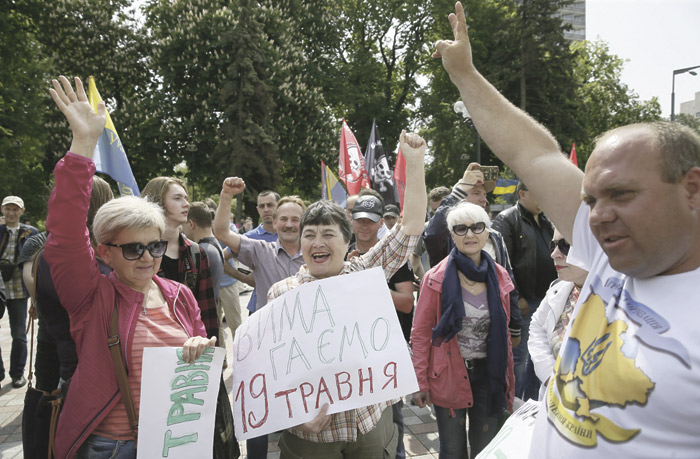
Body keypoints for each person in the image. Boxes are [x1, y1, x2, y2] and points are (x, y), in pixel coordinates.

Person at [434, 3, 700, 455]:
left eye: (621, 195)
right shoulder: (606, 250)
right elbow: (534, 154)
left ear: (691, 189)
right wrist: (464, 74)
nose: (596, 216)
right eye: (591, 200)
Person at [45, 75, 215, 458]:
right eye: (133, 249)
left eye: (154, 245)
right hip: (110, 447)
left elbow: (201, 352)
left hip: (173, 444)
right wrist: (83, 145)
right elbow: (66, 234)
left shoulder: (180, 296)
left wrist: (198, 347)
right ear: (105, 253)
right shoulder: (92, 297)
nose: (149, 258)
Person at [263, 129, 427, 459]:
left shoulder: (365, 273)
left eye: (328, 234)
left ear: (346, 240)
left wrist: (415, 162)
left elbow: (411, 225)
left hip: (369, 423)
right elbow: (272, 369)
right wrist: (293, 414)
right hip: (312, 435)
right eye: (310, 235)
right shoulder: (281, 295)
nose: (318, 243)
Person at [411, 202, 515, 459]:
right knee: (453, 450)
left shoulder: (501, 275)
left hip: (489, 375)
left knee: (485, 449)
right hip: (448, 374)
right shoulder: (435, 278)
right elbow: (421, 333)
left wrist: (509, 380)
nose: (469, 235)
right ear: (452, 234)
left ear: (487, 231)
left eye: (477, 227)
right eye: (461, 229)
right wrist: (419, 381)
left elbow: (506, 336)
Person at [214, 193, 306, 459]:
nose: (289, 224)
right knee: (259, 414)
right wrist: (226, 196)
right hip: (266, 346)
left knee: (300, 410)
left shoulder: (316, 253)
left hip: (305, 347)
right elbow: (220, 231)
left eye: (296, 220)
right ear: (275, 222)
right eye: (284, 219)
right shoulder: (259, 249)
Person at [347, 194, 414, 459]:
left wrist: (368, 283)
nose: (364, 226)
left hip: (388, 349)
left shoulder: (394, 257)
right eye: (360, 220)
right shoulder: (342, 253)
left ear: (380, 224)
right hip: (352, 350)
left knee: (393, 413)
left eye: (370, 221)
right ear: (352, 222)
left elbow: (407, 303)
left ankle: (398, 455)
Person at [492, 180, 556, 401]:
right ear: (523, 194)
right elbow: (502, 264)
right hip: (525, 303)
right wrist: (517, 297)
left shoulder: (547, 221)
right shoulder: (507, 219)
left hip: (549, 300)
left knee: (541, 356)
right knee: (521, 358)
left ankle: (534, 402)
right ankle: (515, 403)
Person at [141, 177, 219, 340]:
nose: (186, 204)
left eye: (186, 198)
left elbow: (208, 311)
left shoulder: (196, 253)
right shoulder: (138, 252)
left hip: (191, 349)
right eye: (177, 198)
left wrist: (211, 357)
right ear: (157, 202)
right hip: (149, 344)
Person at [528, 229, 588, 399]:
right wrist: (549, 376)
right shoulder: (559, 288)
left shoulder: (619, 300)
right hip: (554, 403)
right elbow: (537, 326)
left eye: (566, 245)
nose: (555, 254)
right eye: (552, 245)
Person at [0, 195, 38, 388]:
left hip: (19, 290)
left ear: (22, 211)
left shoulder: (30, 232)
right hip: (0, 287)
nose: (11, 213)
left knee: (19, 333)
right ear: (2, 210)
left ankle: (17, 373)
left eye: (15, 209)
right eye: (8, 209)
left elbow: (37, 263)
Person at [242, 191, 280, 313]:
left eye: (270, 205)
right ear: (258, 209)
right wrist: (246, 278)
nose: (266, 209)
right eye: (262, 206)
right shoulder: (248, 237)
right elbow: (223, 257)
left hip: (288, 303)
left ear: (279, 206)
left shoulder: (291, 233)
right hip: (259, 307)